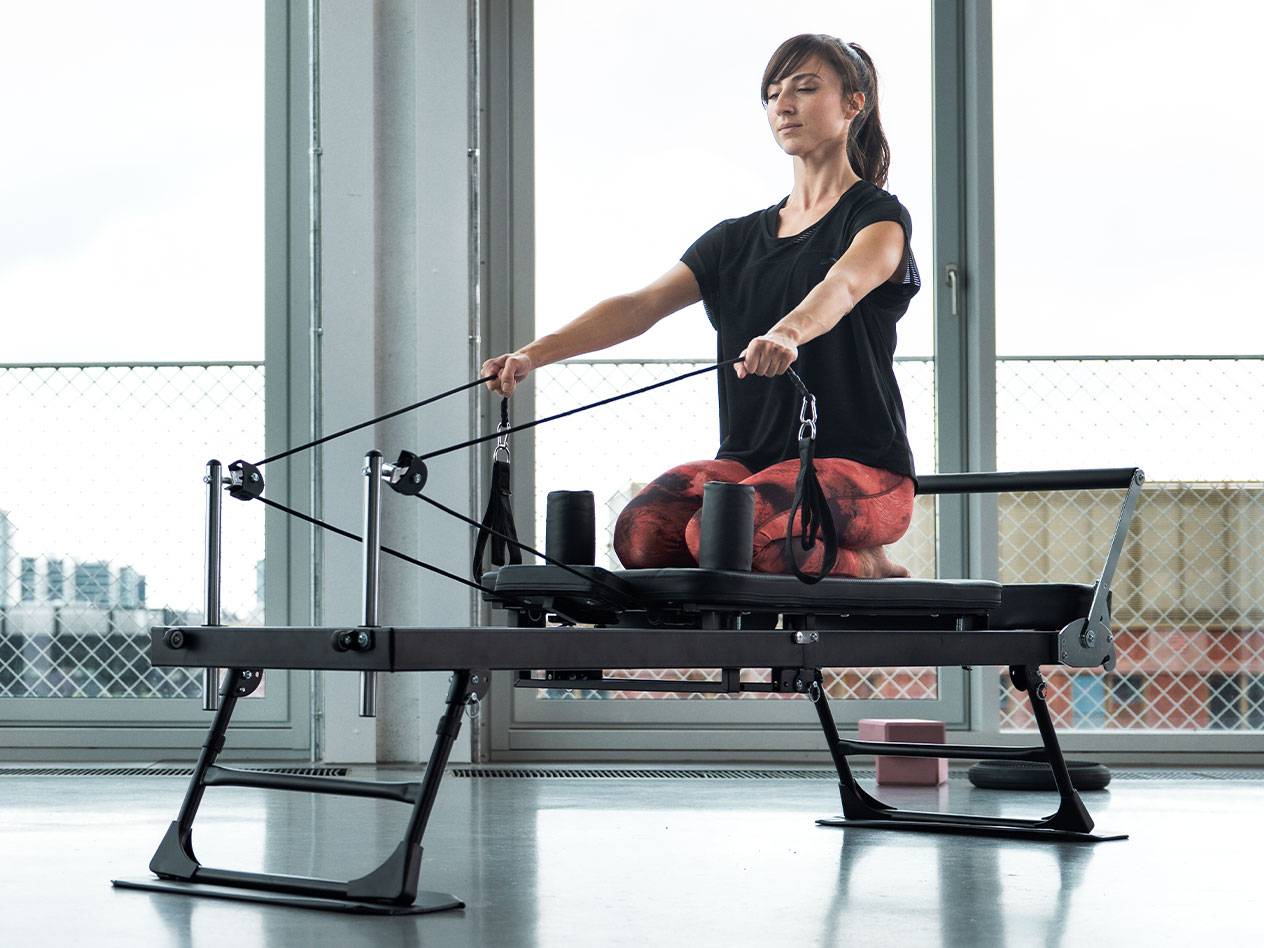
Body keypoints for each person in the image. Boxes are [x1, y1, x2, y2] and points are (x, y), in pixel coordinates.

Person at [482, 34, 920, 579]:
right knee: (643, 537)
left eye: (806, 89)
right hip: (752, 463)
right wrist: (532, 355)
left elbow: (843, 286)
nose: (783, 105)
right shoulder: (734, 240)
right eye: (773, 94)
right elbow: (640, 305)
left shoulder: (878, 218)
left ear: (854, 104)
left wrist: (786, 333)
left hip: (864, 471)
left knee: (745, 540)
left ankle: (873, 564)